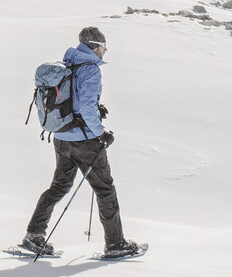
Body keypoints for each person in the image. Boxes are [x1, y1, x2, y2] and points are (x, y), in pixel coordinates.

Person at [20, 26, 141, 259]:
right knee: (105, 189)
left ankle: (34, 235)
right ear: (94, 46)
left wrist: (96, 109)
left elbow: (77, 101)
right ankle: (115, 244)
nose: (104, 52)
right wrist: (101, 133)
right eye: (104, 47)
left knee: (58, 187)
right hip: (85, 141)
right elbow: (85, 106)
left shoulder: (69, 64)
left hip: (61, 137)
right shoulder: (91, 70)